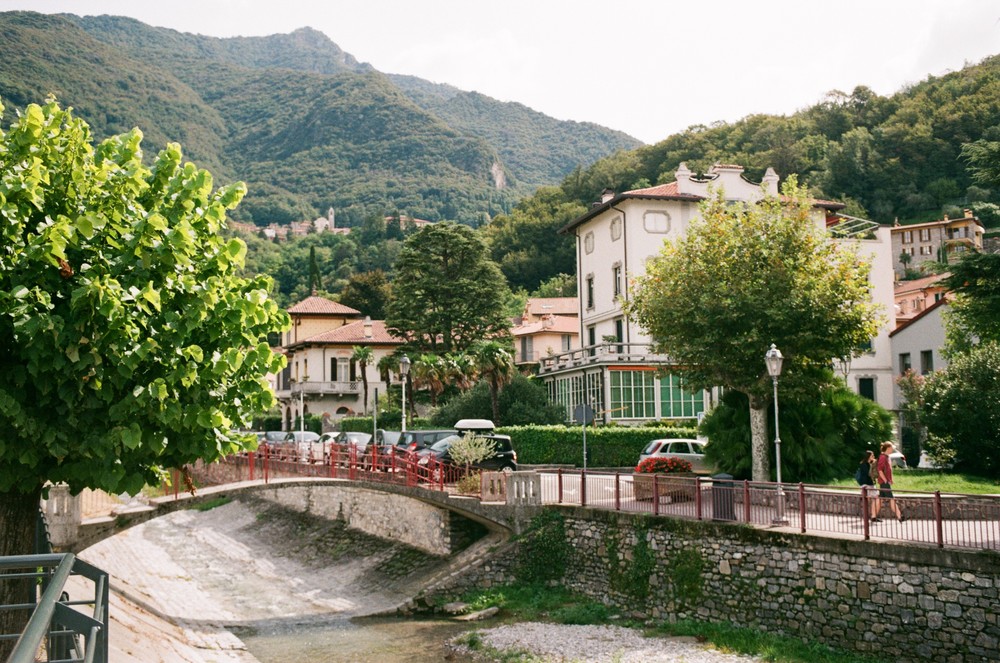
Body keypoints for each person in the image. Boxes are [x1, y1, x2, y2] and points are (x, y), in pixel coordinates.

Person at [876, 442, 905, 522]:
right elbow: (880, 470)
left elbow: (888, 470)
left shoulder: (887, 457)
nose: (893, 449)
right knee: (892, 499)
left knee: (881, 499)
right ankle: (900, 517)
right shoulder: (883, 457)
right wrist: (885, 480)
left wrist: (890, 480)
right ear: (888, 448)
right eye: (892, 448)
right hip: (884, 482)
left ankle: (873, 516)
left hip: (885, 482)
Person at [859, 450, 880, 522]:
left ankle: (873, 516)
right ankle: (867, 516)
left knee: (876, 498)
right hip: (866, 484)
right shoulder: (864, 464)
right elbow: (868, 474)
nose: (873, 457)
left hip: (871, 484)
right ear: (868, 456)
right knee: (867, 500)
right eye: (872, 456)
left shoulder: (870, 464)